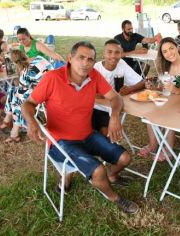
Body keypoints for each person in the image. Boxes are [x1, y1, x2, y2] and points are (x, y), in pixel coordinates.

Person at [21, 41, 138, 214]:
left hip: (88, 135)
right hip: (60, 142)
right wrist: (31, 122)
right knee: (98, 171)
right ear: (70, 58)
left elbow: (115, 98)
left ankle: (110, 176)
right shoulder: (52, 78)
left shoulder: (94, 76)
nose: (86, 63)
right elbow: (28, 104)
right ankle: (116, 198)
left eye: (90, 59)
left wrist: (114, 117)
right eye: (81, 58)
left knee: (125, 158)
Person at [138, 37, 180, 161]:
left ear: (177, 47)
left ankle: (168, 149)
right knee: (149, 113)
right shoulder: (166, 66)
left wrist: (176, 90)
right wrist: (154, 87)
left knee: (166, 115)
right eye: (165, 51)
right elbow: (165, 89)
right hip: (169, 100)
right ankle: (153, 145)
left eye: (171, 48)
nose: (169, 53)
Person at [93, 39, 145, 135]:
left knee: (108, 134)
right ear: (103, 54)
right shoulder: (96, 69)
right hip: (94, 108)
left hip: (113, 106)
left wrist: (130, 89)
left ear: (121, 54)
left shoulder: (121, 64)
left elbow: (142, 82)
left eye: (117, 52)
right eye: (109, 52)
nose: (113, 56)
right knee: (104, 133)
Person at [1, 50, 53, 142]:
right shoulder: (39, 58)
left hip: (48, 97)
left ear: (14, 63)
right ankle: (11, 124)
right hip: (55, 88)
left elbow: (22, 87)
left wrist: (19, 74)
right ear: (24, 55)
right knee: (15, 91)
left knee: (18, 95)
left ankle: (11, 126)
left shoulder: (25, 72)